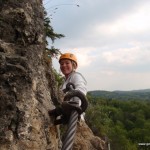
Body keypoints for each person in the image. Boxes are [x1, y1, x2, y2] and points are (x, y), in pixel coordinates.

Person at [49, 53, 87, 125]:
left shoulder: (76, 76)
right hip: (67, 117)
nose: (64, 65)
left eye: (67, 63)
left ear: (73, 65)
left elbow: (81, 90)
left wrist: (73, 106)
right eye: (62, 64)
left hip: (75, 116)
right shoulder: (64, 81)